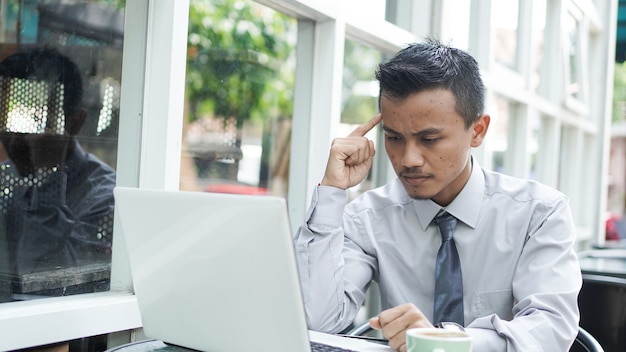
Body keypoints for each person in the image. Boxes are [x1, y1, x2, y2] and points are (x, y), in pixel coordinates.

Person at [294, 38, 582, 351]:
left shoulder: (539, 214)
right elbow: (317, 322)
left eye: (429, 139)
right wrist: (332, 193)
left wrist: (447, 343)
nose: (408, 159)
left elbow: (550, 331)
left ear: (478, 131)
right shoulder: (367, 217)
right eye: (394, 137)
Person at [0, 47, 116, 296]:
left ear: (74, 122)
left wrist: (46, 172)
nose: (14, 140)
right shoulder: (7, 179)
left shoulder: (102, 194)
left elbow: (55, 284)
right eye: (7, 121)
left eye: (35, 123)